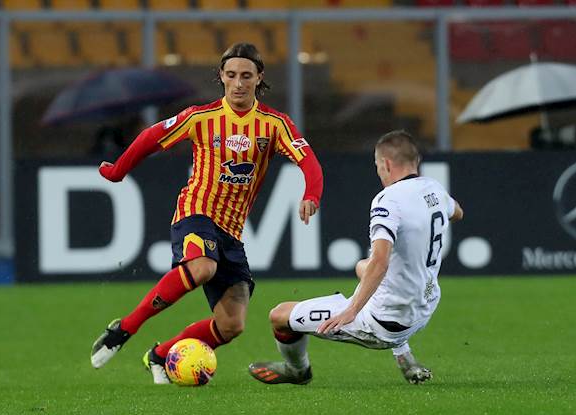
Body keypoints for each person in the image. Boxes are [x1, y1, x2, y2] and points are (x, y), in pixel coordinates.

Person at [90, 42, 323, 384]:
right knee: (202, 267)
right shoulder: (200, 117)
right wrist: (117, 171)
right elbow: (152, 137)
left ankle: (159, 355)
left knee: (231, 325)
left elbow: (308, 161)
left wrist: (311, 193)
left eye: (246, 76)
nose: (239, 83)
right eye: (231, 75)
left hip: (232, 231)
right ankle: (124, 328)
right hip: (196, 212)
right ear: (221, 77)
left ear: (259, 78)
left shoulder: (275, 124)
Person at [249, 130, 463, 385]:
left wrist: (351, 311)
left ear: (386, 164)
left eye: (377, 165)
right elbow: (457, 213)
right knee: (363, 266)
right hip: (425, 307)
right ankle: (405, 358)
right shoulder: (434, 188)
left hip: (383, 323)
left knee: (279, 316)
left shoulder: (388, 200)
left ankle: (298, 371)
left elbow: (381, 262)